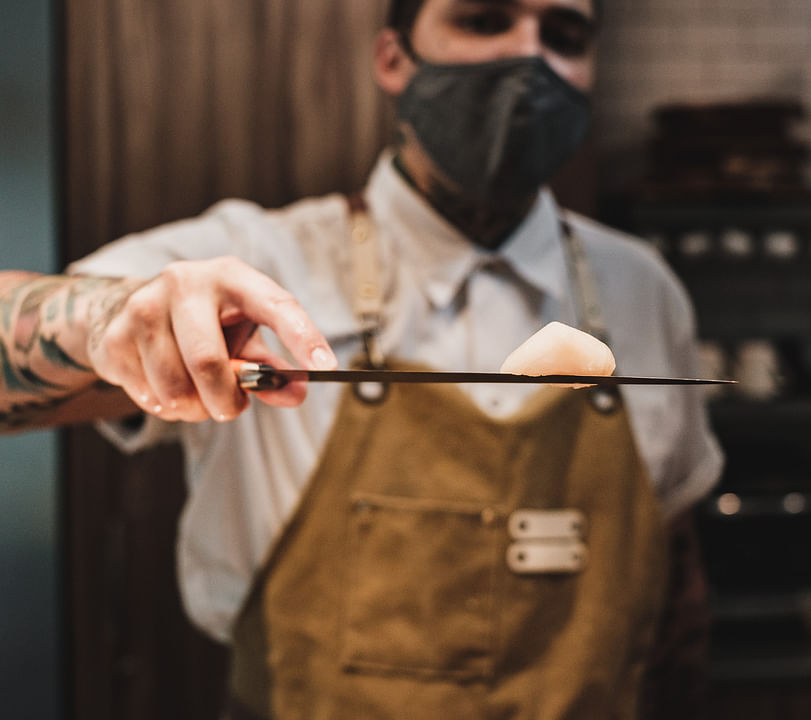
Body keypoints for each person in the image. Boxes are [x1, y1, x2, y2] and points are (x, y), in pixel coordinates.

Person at [0, 1, 723, 718]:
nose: (529, 58)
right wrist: (106, 319)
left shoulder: (642, 290)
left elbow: (675, 587)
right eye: (483, 20)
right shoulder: (257, 266)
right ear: (392, 59)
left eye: (564, 35)